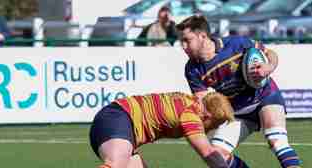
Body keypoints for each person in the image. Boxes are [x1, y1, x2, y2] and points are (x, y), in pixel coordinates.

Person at [176, 15, 301, 168]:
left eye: (187, 40)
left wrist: (268, 67)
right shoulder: (192, 69)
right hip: (237, 112)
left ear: (203, 36)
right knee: (217, 155)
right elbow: (202, 100)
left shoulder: (236, 44)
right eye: (181, 41)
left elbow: (270, 54)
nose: (183, 46)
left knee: (277, 140)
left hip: (264, 97)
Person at [90, 91, 238, 168]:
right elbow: (209, 153)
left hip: (119, 121)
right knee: (117, 164)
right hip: (118, 118)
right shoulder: (191, 115)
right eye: (215, 125)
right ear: (208, 116)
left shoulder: (191, 102)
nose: (211, 130)